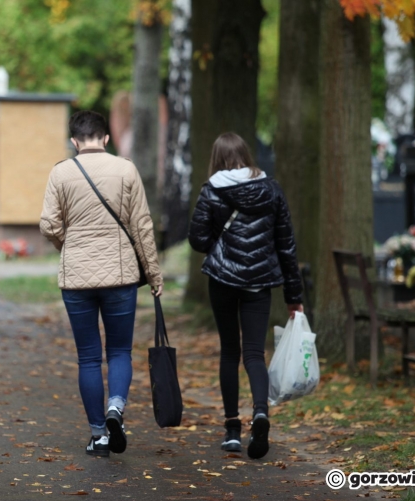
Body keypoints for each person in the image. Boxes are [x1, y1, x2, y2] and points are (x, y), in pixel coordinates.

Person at [40, 110, 164, 457]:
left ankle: (98, 434)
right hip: (121, 276)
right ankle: (116, 409)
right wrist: (153, 273)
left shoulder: (61, 172)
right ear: (106, 139)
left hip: (77, 280)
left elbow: (48, 224)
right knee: (120, 351)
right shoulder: (126, 169)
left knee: (89, 358)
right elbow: (142, 225)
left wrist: (70, 244)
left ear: (74, 141)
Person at [188, 132, 303, 460]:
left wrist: (219, 247)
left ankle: (231, 430)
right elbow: (286, 245)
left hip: (222, 280)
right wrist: (294, 296)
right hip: (259, 282)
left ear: (217, 159)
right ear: (245, 155)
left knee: (229, 352)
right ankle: (260, 414)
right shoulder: (273, 189)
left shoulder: (211, 189)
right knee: (254, 353)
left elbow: (197, 238)